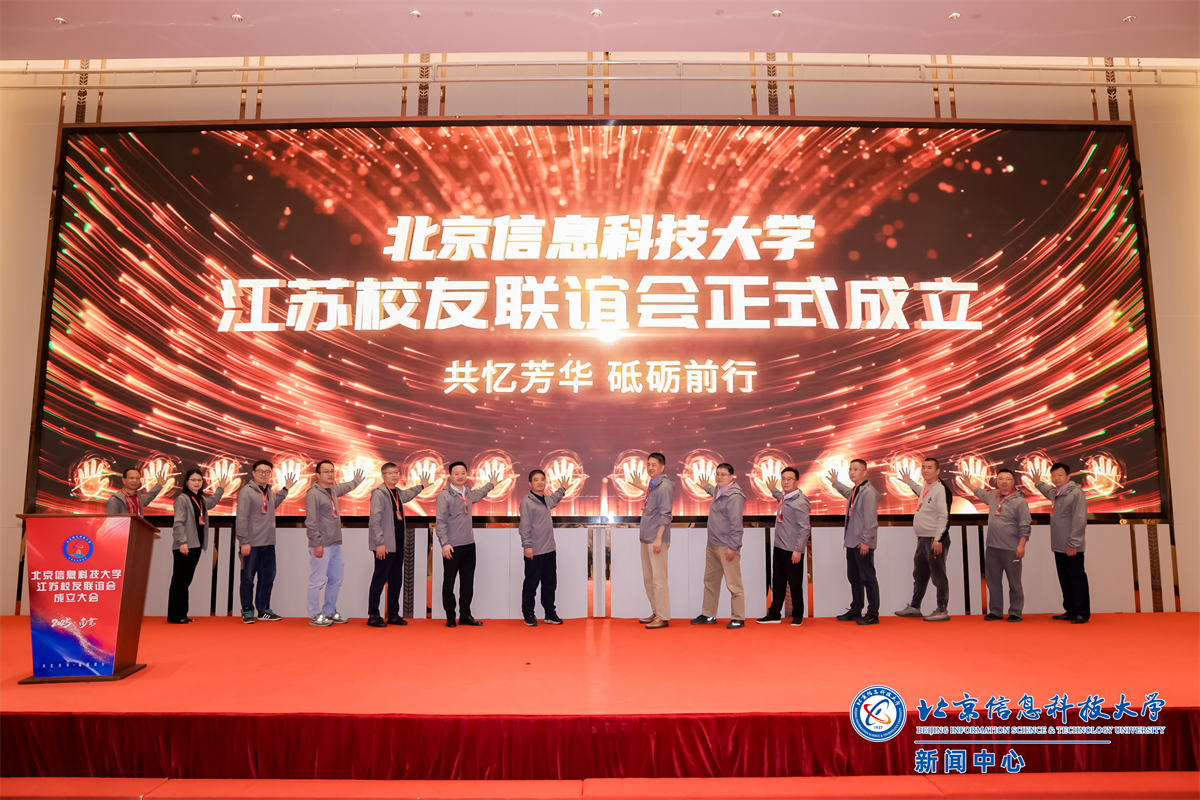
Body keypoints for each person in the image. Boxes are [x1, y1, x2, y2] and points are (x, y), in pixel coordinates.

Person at [435, 461, 499, 627]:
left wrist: (491, 484)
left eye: (463, 473)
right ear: (450, 475)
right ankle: (450, 616)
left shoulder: (468, 493)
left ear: (466, 475)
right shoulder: (444, 496)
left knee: (467, 583)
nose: (460, 476)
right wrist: (444, 543)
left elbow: (480, 493)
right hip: (451, 547)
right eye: (456, 473)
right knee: (449, 584)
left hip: (469, 546)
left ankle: (465, 615)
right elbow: (440, 522)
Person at [366, 462, 429, 628]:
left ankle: (393, 615)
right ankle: (373, 615)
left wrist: (421, 486)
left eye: (396, 472)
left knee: (396, 580)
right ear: (383, 475)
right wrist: (379, 543)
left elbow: (408, 495)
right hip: (384, 545)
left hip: (397, 543)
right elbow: (374, 521)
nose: (394, 475)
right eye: (390, 473)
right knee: (379, 579)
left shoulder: (397, 493)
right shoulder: (379, 494)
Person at [966, 467, 1031, 622]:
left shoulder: (1020, 502)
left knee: (1014, 583)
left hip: (1011, 549)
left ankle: (1015, 612)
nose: (1004, 482)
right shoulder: (993, 497)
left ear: (1013, 481)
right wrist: (968, 483)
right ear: (997, 481)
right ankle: (995, 611)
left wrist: (1021, 545)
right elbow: (980, 493)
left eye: (1007, 479)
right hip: (992, 549)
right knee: (993, 582)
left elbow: (1025, 525)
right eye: (1001, 479)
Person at [305, 460, 364, 627]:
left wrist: (356, 481)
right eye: (326, 471)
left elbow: (345, 487)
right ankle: (314, 614)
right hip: (321, 545)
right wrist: (317, 544)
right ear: (317, 475)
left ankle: (329, 611)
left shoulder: (332, 490)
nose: (330, 474)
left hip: (335, 543)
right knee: (317, 581)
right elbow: (311, 522)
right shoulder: (313, 494)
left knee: (336, 579)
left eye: (332, 471)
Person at [235, 460, 295, 624]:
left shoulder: (268, 490)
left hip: (268, 543)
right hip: (251, 544)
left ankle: (263, 610)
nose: (264, 474)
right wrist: (244, 541)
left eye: (267, 472)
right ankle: (247, 610)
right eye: (260, 471)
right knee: (248, 579)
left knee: (267, 578)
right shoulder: (246, 491)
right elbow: (241, 518)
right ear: (253, 473)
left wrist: (285, 489)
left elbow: (273, 503)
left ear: (270, 474)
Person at [894, 458, 952, 622]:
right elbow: (922, 493)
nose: (925, 470)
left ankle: (942, 610)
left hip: (935, 539)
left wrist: (938, 539)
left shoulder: (941, 489)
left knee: (938, 576)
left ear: (938, 470)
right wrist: (909, 482)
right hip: (922, 538)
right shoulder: (927, 486)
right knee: (919, 574)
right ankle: (915, 607)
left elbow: (944, 516)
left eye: (930, 467)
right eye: (923, 467)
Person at [168, 468, 228, 624]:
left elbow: (212, 501)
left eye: (199, 480)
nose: (196, 483)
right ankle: (175, 616)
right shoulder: (182, 499)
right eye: (193, 480)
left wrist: (221, 488)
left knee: (186, 581)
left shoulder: (201, 499)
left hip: (196, 545)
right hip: (184, 546)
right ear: (187, 482)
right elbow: (178, 523)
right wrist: (182, 542)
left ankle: (182, 614)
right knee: (180, 581)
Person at [692, 462, 747, 629]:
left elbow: (737, 525)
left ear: (732, 477)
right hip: (712, 545)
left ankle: (738, 617)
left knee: (733, 584)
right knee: (710, 582)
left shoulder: (734, 496)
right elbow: (711, 489)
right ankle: (708, 615)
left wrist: (733, 547)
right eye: (717, 474)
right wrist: (704, 485)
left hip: (727, 547)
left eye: (723, 474)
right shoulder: (718, 491)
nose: (719, 477)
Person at [1036, 462, 1090, 624]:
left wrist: (1074, 543)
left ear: (1068, 476)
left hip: (1071, 546)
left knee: (1076, 579)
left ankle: (1081, 613)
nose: (1056, 478)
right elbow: (1046, 490)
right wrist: (1037, 481)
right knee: (1065, 579)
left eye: (1060, 475)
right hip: (1059, 546)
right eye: (1053, 476)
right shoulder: (1058, 493)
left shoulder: (1076, 493)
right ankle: (1070, 610)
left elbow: (1080, 519)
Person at [830, 459, 880, 625]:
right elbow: (846, 491)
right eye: (850, 469)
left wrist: (866, 541)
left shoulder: (869, 492)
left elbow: (871, 521)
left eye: (856, 469)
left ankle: (873, 614)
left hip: (862, 544)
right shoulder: (855, 490)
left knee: (868, 578)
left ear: (865, 472)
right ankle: (856, 609)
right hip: (852, 543)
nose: (852, 472)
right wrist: (835, 482)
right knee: (854, 578)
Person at [519, 469, 570, 626]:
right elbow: (524, 527)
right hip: (534, 551)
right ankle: (528, 614)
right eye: (536, 480)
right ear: (530, 483)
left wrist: (563, 488)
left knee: (549, 584)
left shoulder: (545, 499)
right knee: (531, 584)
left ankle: (549, 613)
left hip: (549, 550)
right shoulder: (527, 502)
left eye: (542, 479)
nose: (540, 482)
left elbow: (554, 499)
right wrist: (527, 546)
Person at [628, 452, 673, 629]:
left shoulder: (665, 486)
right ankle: (656, 612)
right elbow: (652, 501)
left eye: (654, 465)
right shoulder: (654, 485)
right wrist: (639, 486)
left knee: (659, 580)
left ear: (662, 467)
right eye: (648, 464)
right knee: (649, 579)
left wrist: (659, 538)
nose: (650, 468)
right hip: (647, 538)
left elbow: (666, 514)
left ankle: (663, 616)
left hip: (656, 539)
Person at [761, 466, 810, 625]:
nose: (786, 482)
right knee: (778, 582)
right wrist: (772, 489)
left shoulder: (800, 501)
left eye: (790, 479)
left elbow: (805, 528)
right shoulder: (784, 497)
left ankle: (798, 615)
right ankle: (774, 613)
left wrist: (798, 550)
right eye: (783, 479)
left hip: (792, 550)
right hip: (779, 547)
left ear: (797, 481)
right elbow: (778, 496)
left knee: (795, 584)